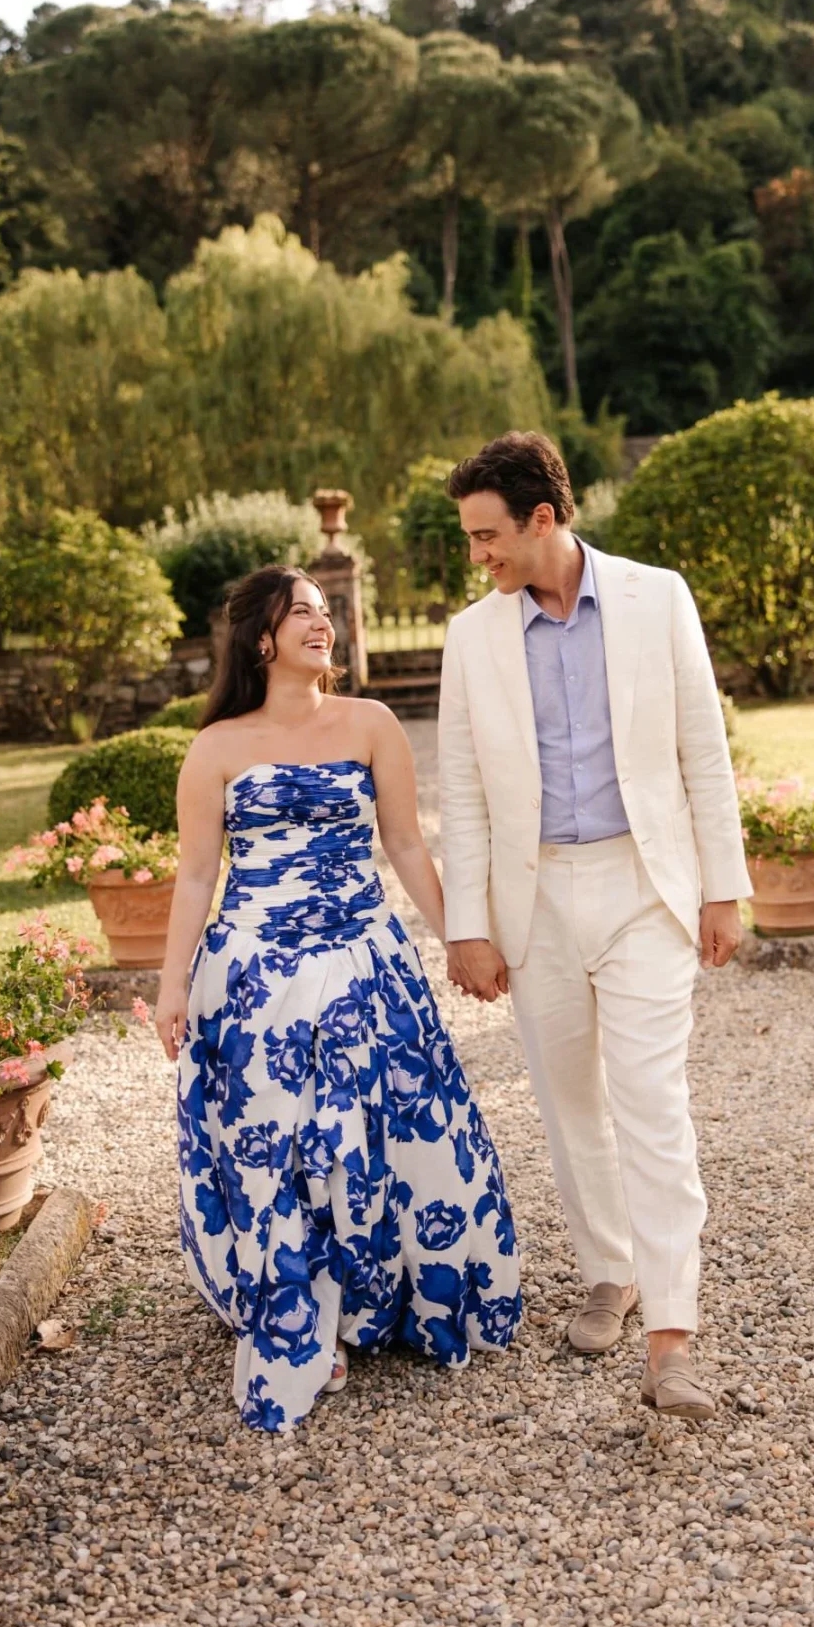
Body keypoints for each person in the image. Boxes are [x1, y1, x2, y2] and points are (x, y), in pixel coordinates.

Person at [154, 564, 521, 1432]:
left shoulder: (372, 723)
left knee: (390, 1130)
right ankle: (309, 1320)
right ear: (261, 639)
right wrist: (172, 985)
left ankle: (391, 1299)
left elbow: (405, 845)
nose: (323, 625)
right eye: (302, 614)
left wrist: (460, 938)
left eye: (325, 611)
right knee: (281, 1145)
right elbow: (197, 873)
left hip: (365, 961)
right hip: (254, 975)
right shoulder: (216, 747)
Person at [438, 432, 750, 1422]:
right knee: (571, 1101)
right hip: (535, 902)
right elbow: (465, 794)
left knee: (651, 1099)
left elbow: (703, 749)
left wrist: (723, 888)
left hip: (643, 887)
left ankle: (672, 1340)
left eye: (488, 535)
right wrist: (467, 926)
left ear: (544, 517)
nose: (478, 555)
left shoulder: (658, 598)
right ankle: (610, 1271)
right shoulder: (470, 638)